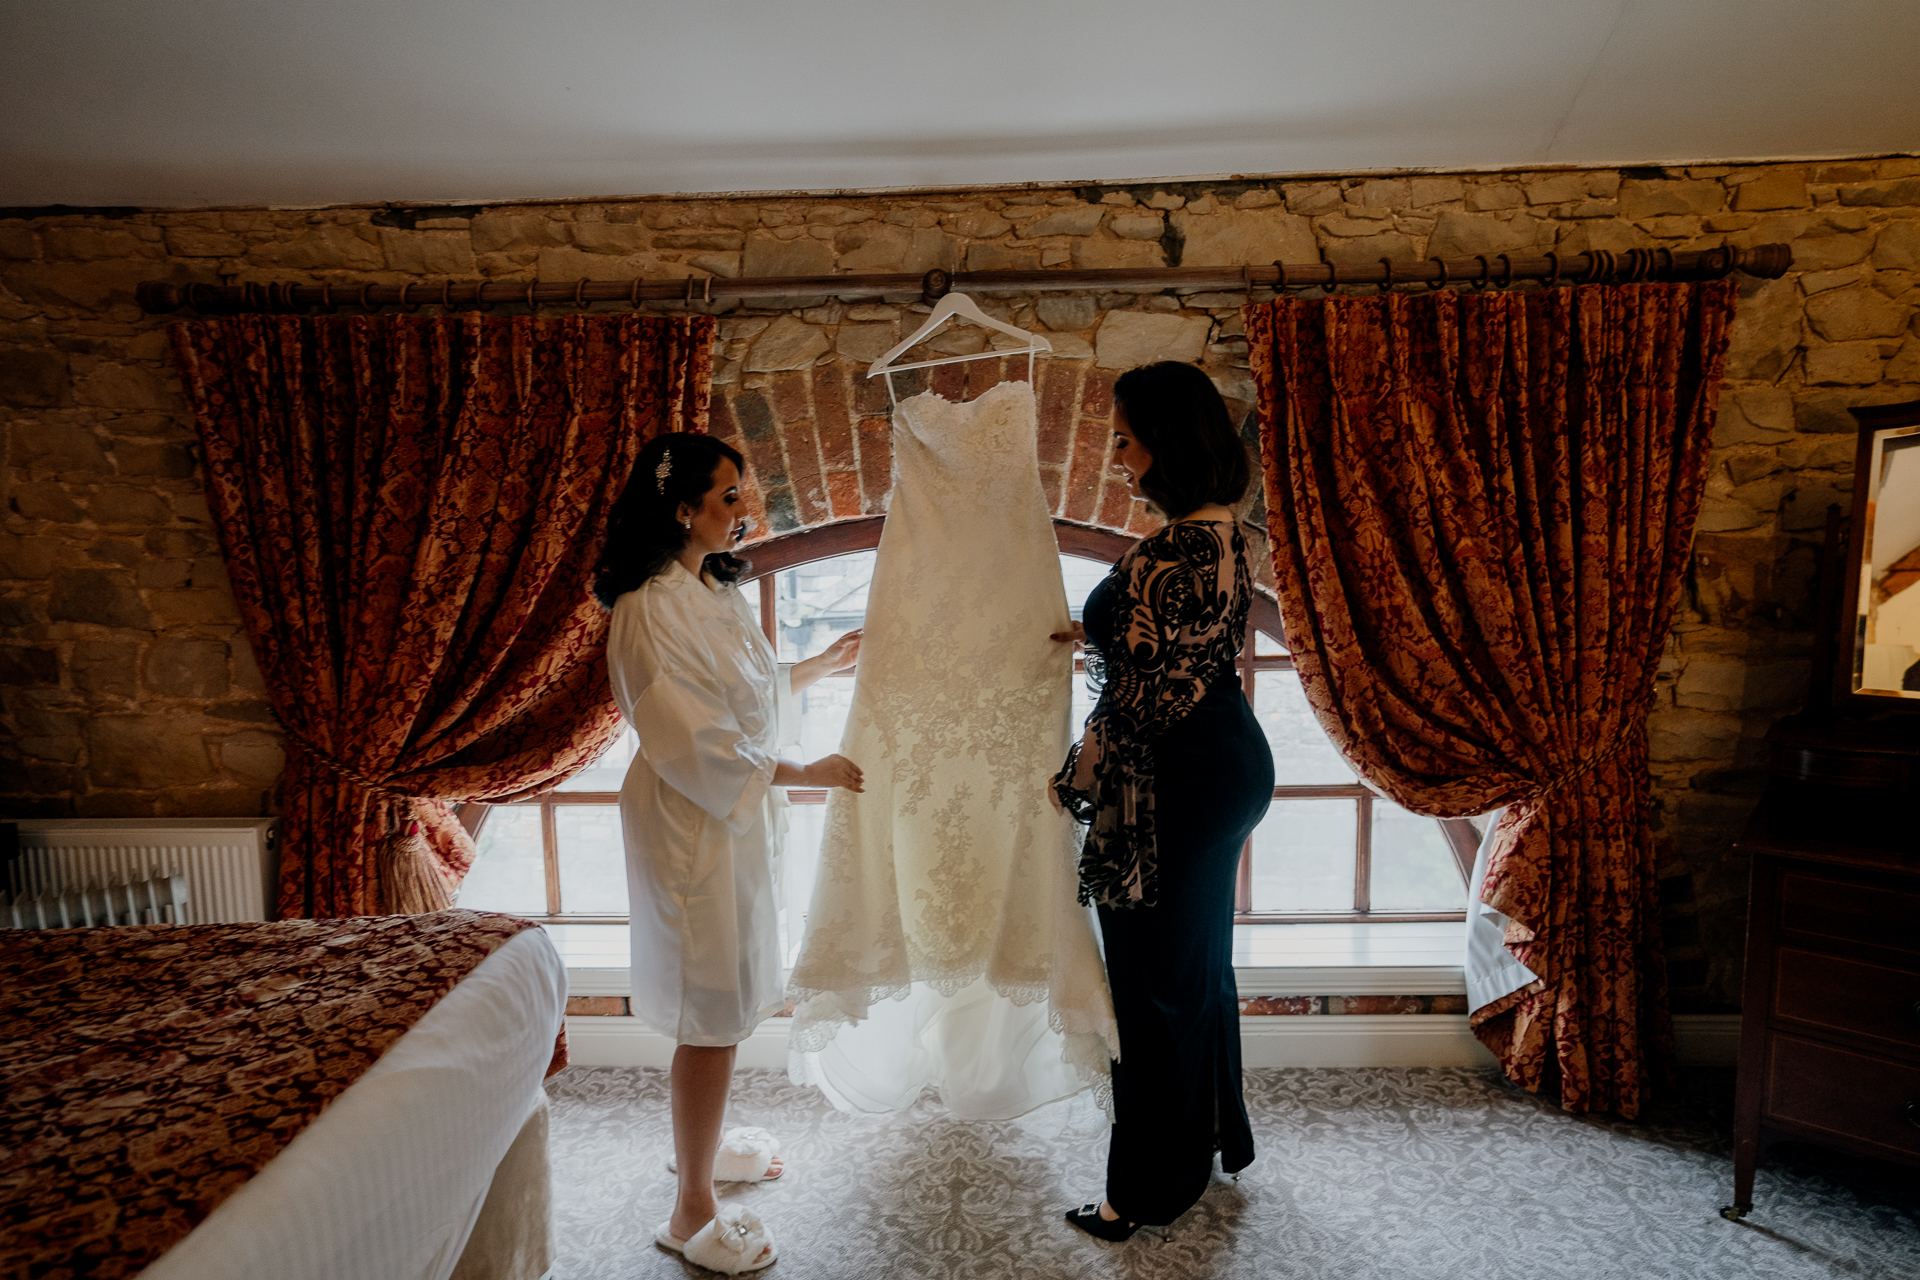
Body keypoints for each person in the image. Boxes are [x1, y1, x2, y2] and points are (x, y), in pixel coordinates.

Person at [595, 432, 862, 1274]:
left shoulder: (708, 591)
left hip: (729, 820)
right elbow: (689, 738)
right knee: (710, 1012)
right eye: (732, 496)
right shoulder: (645, 607)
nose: (747, 511)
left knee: (734, 990)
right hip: (690, 821)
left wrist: (815, 667)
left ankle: (699, 1153)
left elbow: (741, 694)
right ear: (684, 509)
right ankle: (689, 1209)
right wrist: (801, 769)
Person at [1050, 362, 1275, 1241]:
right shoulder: (1222, 535)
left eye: (1125, 439)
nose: (1117, 457)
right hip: (1226, 762)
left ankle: (1138, 1195)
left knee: (1152, 991)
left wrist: (1074, 776)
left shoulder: (1169, 552)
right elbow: (1178, 651)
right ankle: (1211, 1140)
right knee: (1195, 972)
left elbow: (1140, 702)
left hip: (1176, 778)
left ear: (1165, 444)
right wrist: (1096, 630)